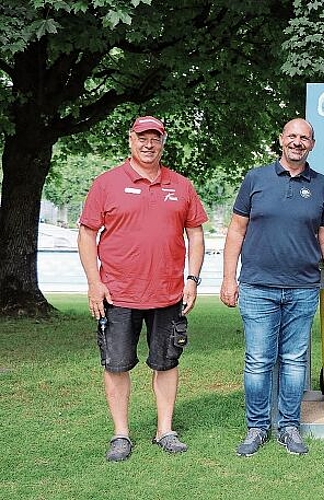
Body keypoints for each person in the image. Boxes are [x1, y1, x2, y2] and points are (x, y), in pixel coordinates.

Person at [78, 116, 207, 462]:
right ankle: (121, 434)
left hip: (168, 294)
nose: (149, 144)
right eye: (142, 138)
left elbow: (195, 233)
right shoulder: (107, 184)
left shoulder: (181, 186)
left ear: (163, 143)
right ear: (130, 140)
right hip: (117, 294)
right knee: (116, 364)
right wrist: (94, 282)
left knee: (166, 362)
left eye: (155, 138)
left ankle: (165, 430)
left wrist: (192, 279)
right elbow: (87, 233)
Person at [221, 118, 324, 457]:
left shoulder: (320, 184)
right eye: (292, 136)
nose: (298, 143)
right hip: (257, 286)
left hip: (303, 288)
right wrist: (229, 278)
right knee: (258, 360)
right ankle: (257, 427)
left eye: (304, 138)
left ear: (312, 145)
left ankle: (289, 426)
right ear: (281, 140)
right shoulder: (255, 178)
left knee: (294, 361)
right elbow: (236, 231)